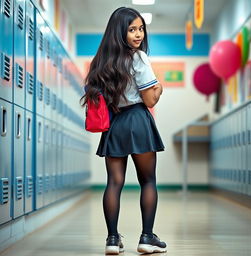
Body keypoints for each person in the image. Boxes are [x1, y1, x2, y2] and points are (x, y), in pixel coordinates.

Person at [80, 6, 167, 255]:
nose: (138, 34)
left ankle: (111, 239)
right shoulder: (138, 57)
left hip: (115, 124)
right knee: (148, 180)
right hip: (138, 121)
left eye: (141, 29)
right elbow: (150, 100)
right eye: (132, 29)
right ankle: (147, 238)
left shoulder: (101, 61)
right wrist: (159, 87)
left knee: (114, 182)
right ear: (120, 32)